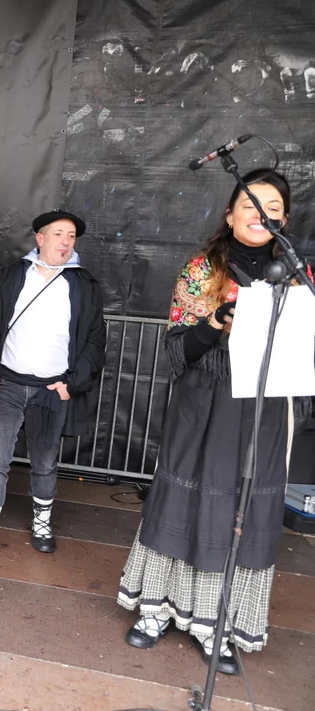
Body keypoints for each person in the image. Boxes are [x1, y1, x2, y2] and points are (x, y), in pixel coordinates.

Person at [117, 168, 297, 675]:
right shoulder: (203, 269)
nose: (261, 215)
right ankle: (156, 609)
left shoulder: (299, 275)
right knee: (184, 497)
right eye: (250, 205)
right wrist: (216, 323)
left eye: (272, 208)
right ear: (230, 214)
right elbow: (179, 348)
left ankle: (218, 624)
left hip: (262, 408)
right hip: (205, 402)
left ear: (284, 219)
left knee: (243, 508)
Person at [0, 210, 105, 562]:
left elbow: (95, 339)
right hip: (7, 384)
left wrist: (73, 384)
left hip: (52, 390)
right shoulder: (12, 275)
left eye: (71, 236)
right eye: (58, 234)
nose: (65, 242)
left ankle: (43, 524)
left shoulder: (83, 285)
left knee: (45, 462)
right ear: (40, 238)